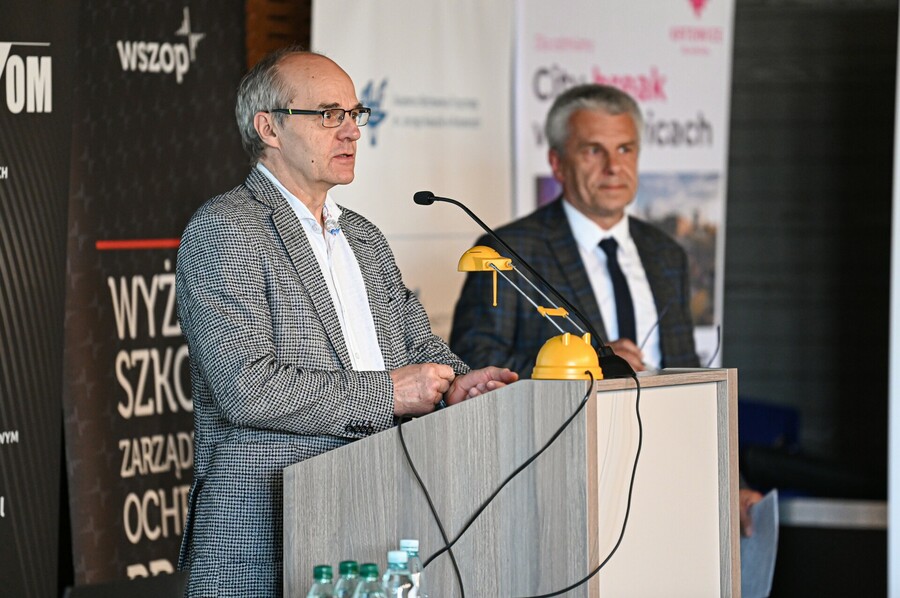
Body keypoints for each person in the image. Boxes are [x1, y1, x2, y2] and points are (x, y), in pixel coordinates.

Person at [175, 46, 517, 597]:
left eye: (355, 113)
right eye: (329, 114)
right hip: (265, 532)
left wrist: (456, 384)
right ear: (269, 127)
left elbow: (416, 345)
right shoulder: (226, 229)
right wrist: (391, 393)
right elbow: (248, 389)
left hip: (379, 519)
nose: (352, 131)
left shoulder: (363, 236)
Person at [449, 83, 762, 533]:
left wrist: (731, 482)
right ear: (557, 162)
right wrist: (589, 365)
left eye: (625, 149)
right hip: (558, 483)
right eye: (594, 151)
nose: (614, 167)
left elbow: (688, 376)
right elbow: (473, 364)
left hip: (666, 478)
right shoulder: (508, 251)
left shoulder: (666, 254)